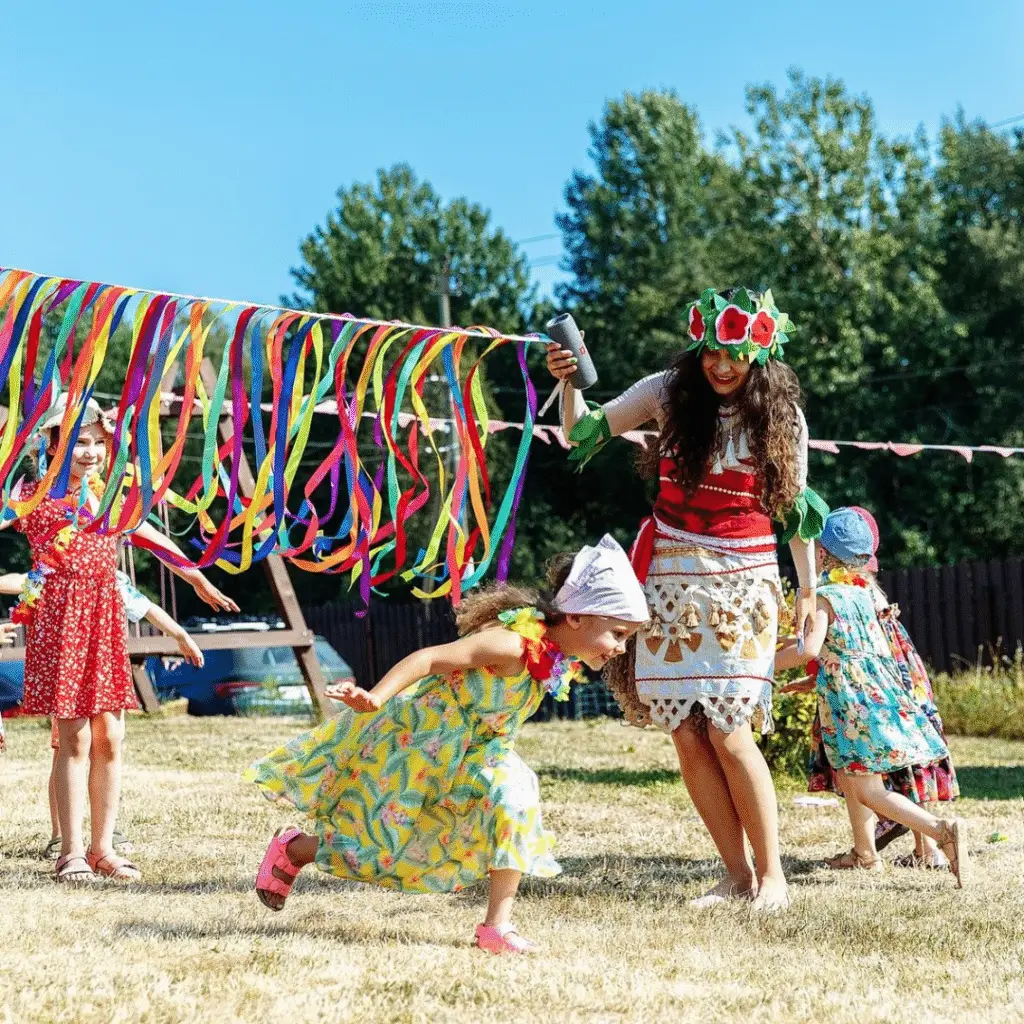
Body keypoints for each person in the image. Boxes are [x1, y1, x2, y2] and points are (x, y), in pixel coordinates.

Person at [547, 288, 827, 911]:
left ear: (760, 355)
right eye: (712, 356)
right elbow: (580, 432)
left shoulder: (784, 417)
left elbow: (799, 509)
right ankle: (736, 876)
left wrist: (807, 596)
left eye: (736, 357)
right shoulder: (665, 391)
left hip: (744, 577)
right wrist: (569, 383)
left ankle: (773, 877)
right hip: (670, 574)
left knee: (729, 730)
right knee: (687, 733)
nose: (722, 368)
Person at [246, 536, 649, 954]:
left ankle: (497, 926)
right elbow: (429, 659)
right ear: (578, 617)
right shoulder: (511, 645)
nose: (620, 648)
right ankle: (294, 849)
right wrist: (377, 697)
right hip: (416, 746)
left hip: (478, 755)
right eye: (618, 633)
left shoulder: (555, 659)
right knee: (377, 849)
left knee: (516, 796)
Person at [1, 394, 238, 884]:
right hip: (60, 620)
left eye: (97, 443)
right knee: (74, 738)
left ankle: (104, 848)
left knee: (110, 737)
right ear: (52, 445)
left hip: (105, 620)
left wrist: (194, 578)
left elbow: (150, 535)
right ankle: (70, 853)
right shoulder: (31, 492)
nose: (88, 452)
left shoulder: (108, 497)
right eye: (77, 442)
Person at [775, 508, 968, 886]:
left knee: (867, 790)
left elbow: (809, 649)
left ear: (823, 556)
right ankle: (867, 856)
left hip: (851, 712)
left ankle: (941, 832)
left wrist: (763, 668)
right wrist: (814, 681)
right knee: (853, 780)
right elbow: (854, 654)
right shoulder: (865, 597)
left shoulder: (826, 598)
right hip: (877, 702)